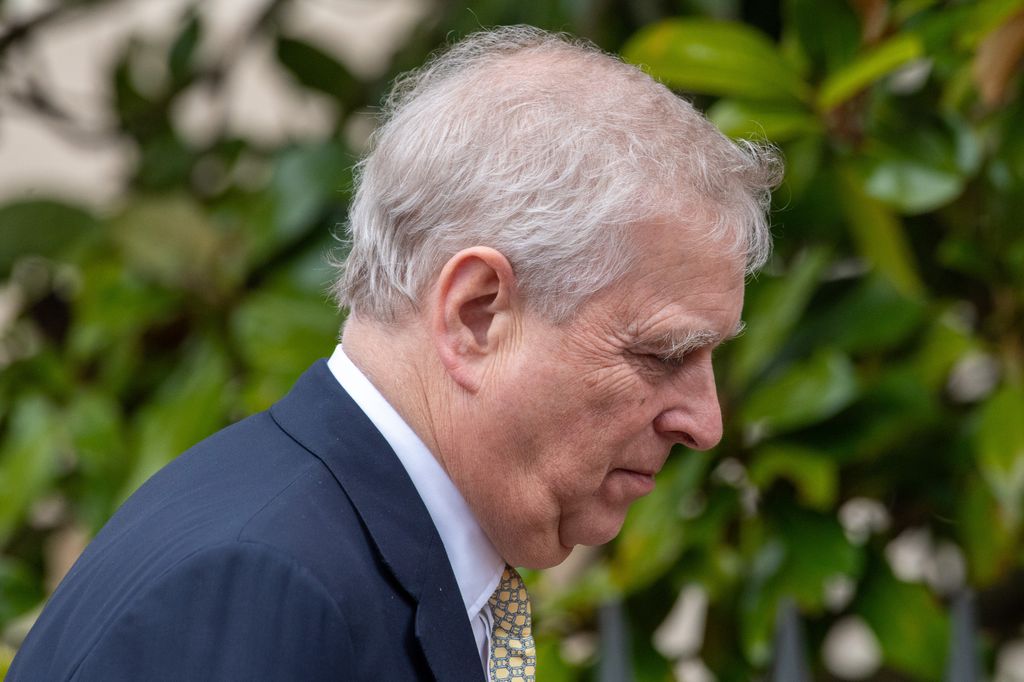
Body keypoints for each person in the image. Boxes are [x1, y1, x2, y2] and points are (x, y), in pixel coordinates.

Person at [8, 25, 780, 682]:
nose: (705, 423)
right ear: (476, 313)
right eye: (662, 353)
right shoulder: (267, 583)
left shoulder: (322, 539)